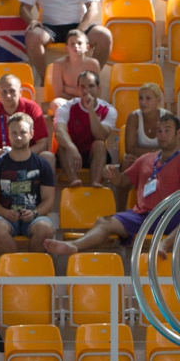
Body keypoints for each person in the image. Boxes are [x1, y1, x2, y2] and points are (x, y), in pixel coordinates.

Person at [45, 113, 180, 255]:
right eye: (159, 131)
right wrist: (113, 175)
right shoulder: (146, 159)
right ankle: (74, 246)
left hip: (172, 216)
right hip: (143, 216)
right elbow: (121, 181)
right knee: (104, 222)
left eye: (167, 130)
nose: (162, 134)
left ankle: (165, 243)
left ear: (178, 133)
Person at [0, 74, 53, 200]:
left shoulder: (32, 108)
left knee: (48, 156)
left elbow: (43, 142)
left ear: (20, 92)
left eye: (12, 91)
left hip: (28, 157)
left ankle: (42, 205)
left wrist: (24, 154)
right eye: (4, 92)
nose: (8, 95)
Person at [0, 112, 56, 253]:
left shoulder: (42, 165)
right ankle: (17, 267)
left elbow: (49, 200)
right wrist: (5, 213)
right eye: (14, 132)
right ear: (8, 134)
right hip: (6, 217)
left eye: (23, 132)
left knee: (45, 228)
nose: (18, 137)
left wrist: (34, 213)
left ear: (31, 134)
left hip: (35, 217)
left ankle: (30, 268)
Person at [54, 70, 116, 188]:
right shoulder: (67, 107)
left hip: (93, 154)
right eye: (82, 86)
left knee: (100, 144)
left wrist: (91, 110)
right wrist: (72, 148)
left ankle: (95, 184)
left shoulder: (109, 110)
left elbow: (101, 136)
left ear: (99, 88)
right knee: (62, 144)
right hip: (71, 152)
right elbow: (59, 132)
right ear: (78, 89)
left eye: (91, 86)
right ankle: (74, 181)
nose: (86, 90)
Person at [48, 28, 100, 114]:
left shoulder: (93, 64)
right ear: (66, 48)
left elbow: (96, 91)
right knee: (56, 103)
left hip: (88, 101)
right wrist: (81, 93)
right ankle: (65, 127)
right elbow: (58, 93)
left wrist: (68, 89)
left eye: (79, 43)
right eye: (72, 44)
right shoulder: (59, 64)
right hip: (68, 102)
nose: (76, 46)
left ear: (87, 47)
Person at [123, 83, 169, 172]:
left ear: (158, 100)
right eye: (141, 98)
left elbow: (171, 148)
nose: (143, 102)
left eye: (148, 98)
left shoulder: (167, 116)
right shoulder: (133, 117)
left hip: (163, 159)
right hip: (139, 159)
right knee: (127, 161)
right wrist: (155, 151)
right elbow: (130, 149)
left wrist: (151, 154)